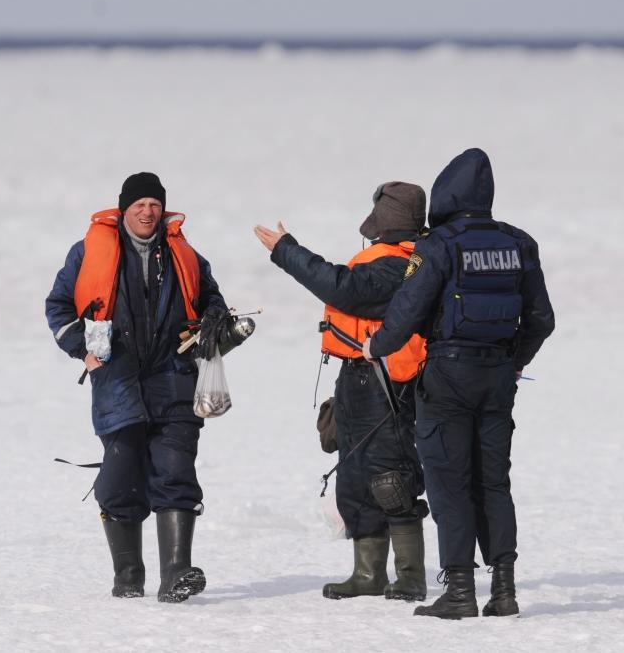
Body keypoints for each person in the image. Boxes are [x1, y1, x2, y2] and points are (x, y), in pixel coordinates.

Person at [363, 148, 555, 620]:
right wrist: (513, 362)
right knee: (494, 482)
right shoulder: (519, 243)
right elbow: (541, 320)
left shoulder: (440, 244)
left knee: (450, 483)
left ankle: (460, 591)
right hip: (496, 377)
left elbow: (408, 309)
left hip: (448, 376)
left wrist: (378, 346)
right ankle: (504, 590)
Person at [45, 172, 230, 602]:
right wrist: (80, 348)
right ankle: (128, 577)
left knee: (176, 471)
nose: (148, 212)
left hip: (175, 378)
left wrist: (217, 317)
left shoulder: (183, 254)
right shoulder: (88, 252)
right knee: (120, 477)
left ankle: (175, 576)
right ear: (124, 210)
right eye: (139, 205)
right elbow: (57, 305)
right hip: (117, 380)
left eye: (154, 204)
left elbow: (211, 298)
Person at [253, 182, 431, 602]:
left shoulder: (398, 266)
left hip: (385, 381)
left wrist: (286, 250)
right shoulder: (395, 259)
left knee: (390, 476)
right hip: (358, 376)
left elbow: (341, 288)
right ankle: (367, 573)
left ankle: (410, 576)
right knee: (354, 475)